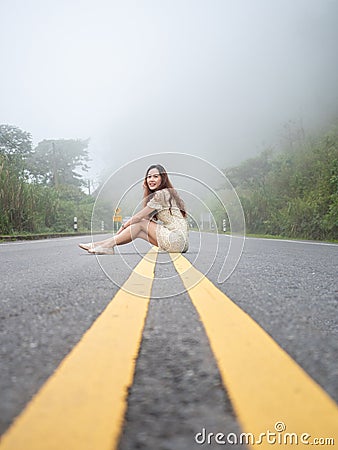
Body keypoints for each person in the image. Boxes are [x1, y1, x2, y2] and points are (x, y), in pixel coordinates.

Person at [79, 164, 189, 254]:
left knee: (140, 223)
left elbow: (139, 217)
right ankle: (100, 245)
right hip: (180, 244)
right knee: (139, 231)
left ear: (163, 178)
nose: (151, 179)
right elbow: (146, 217)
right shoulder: (163, 193)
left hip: (176, 239)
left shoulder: (162, 194)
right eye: (149, 177)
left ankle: (105, 245)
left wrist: (123, 227)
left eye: (155, 176)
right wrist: (146, 190)